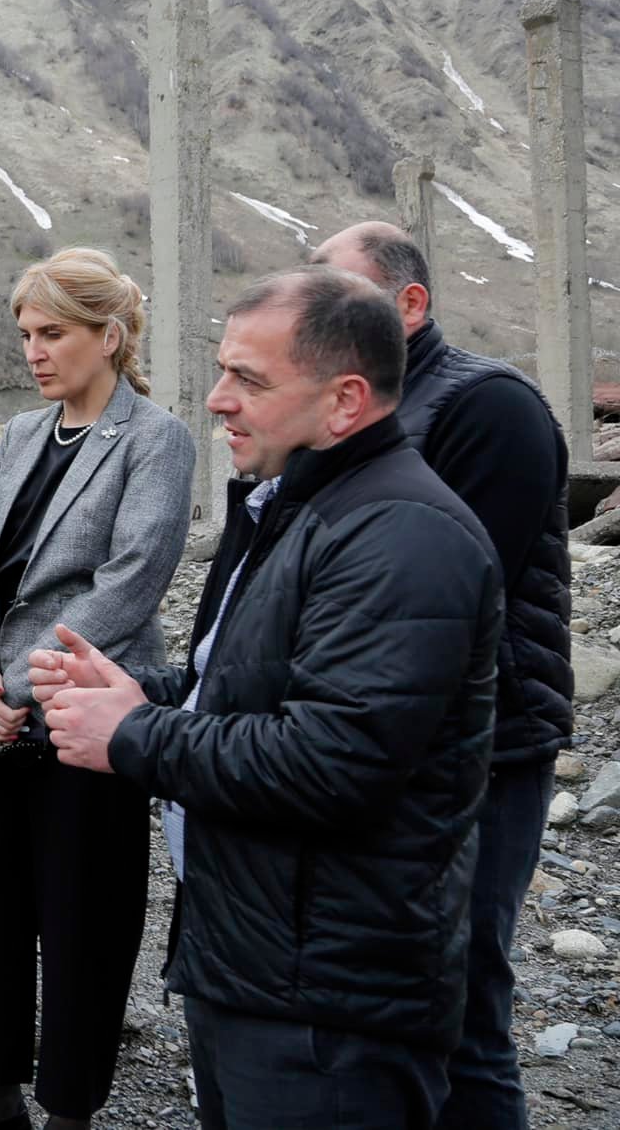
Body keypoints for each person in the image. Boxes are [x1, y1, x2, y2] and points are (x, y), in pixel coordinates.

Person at [33, 267, 502, 1130]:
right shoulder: (298, 506)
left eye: (248, 380)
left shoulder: (403, 536)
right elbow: (248, 686)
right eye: (222, 371)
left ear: (345, 400)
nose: (217, 400)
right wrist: (146, 691)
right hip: (262, 963)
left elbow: (335, 761)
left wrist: (134, 733)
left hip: (329, 1002)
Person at [310, 222, 571, 1129]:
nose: (315, 311)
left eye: (336, 292)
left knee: (462, 1006)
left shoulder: (490, 406)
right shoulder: (355, 410)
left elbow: (454, 596)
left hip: (483, 753)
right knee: (386, 996)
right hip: (383, 740)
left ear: (410, 303)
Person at [0, 248, 194, 1130]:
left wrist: (15, 686)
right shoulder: (19, 435)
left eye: (53, 333)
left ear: (109, 336)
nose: (34, 352)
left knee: (86, 919)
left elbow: (129, 582)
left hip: (89, 713)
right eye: (26, 335)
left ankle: (71, 1109)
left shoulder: (155, 439)